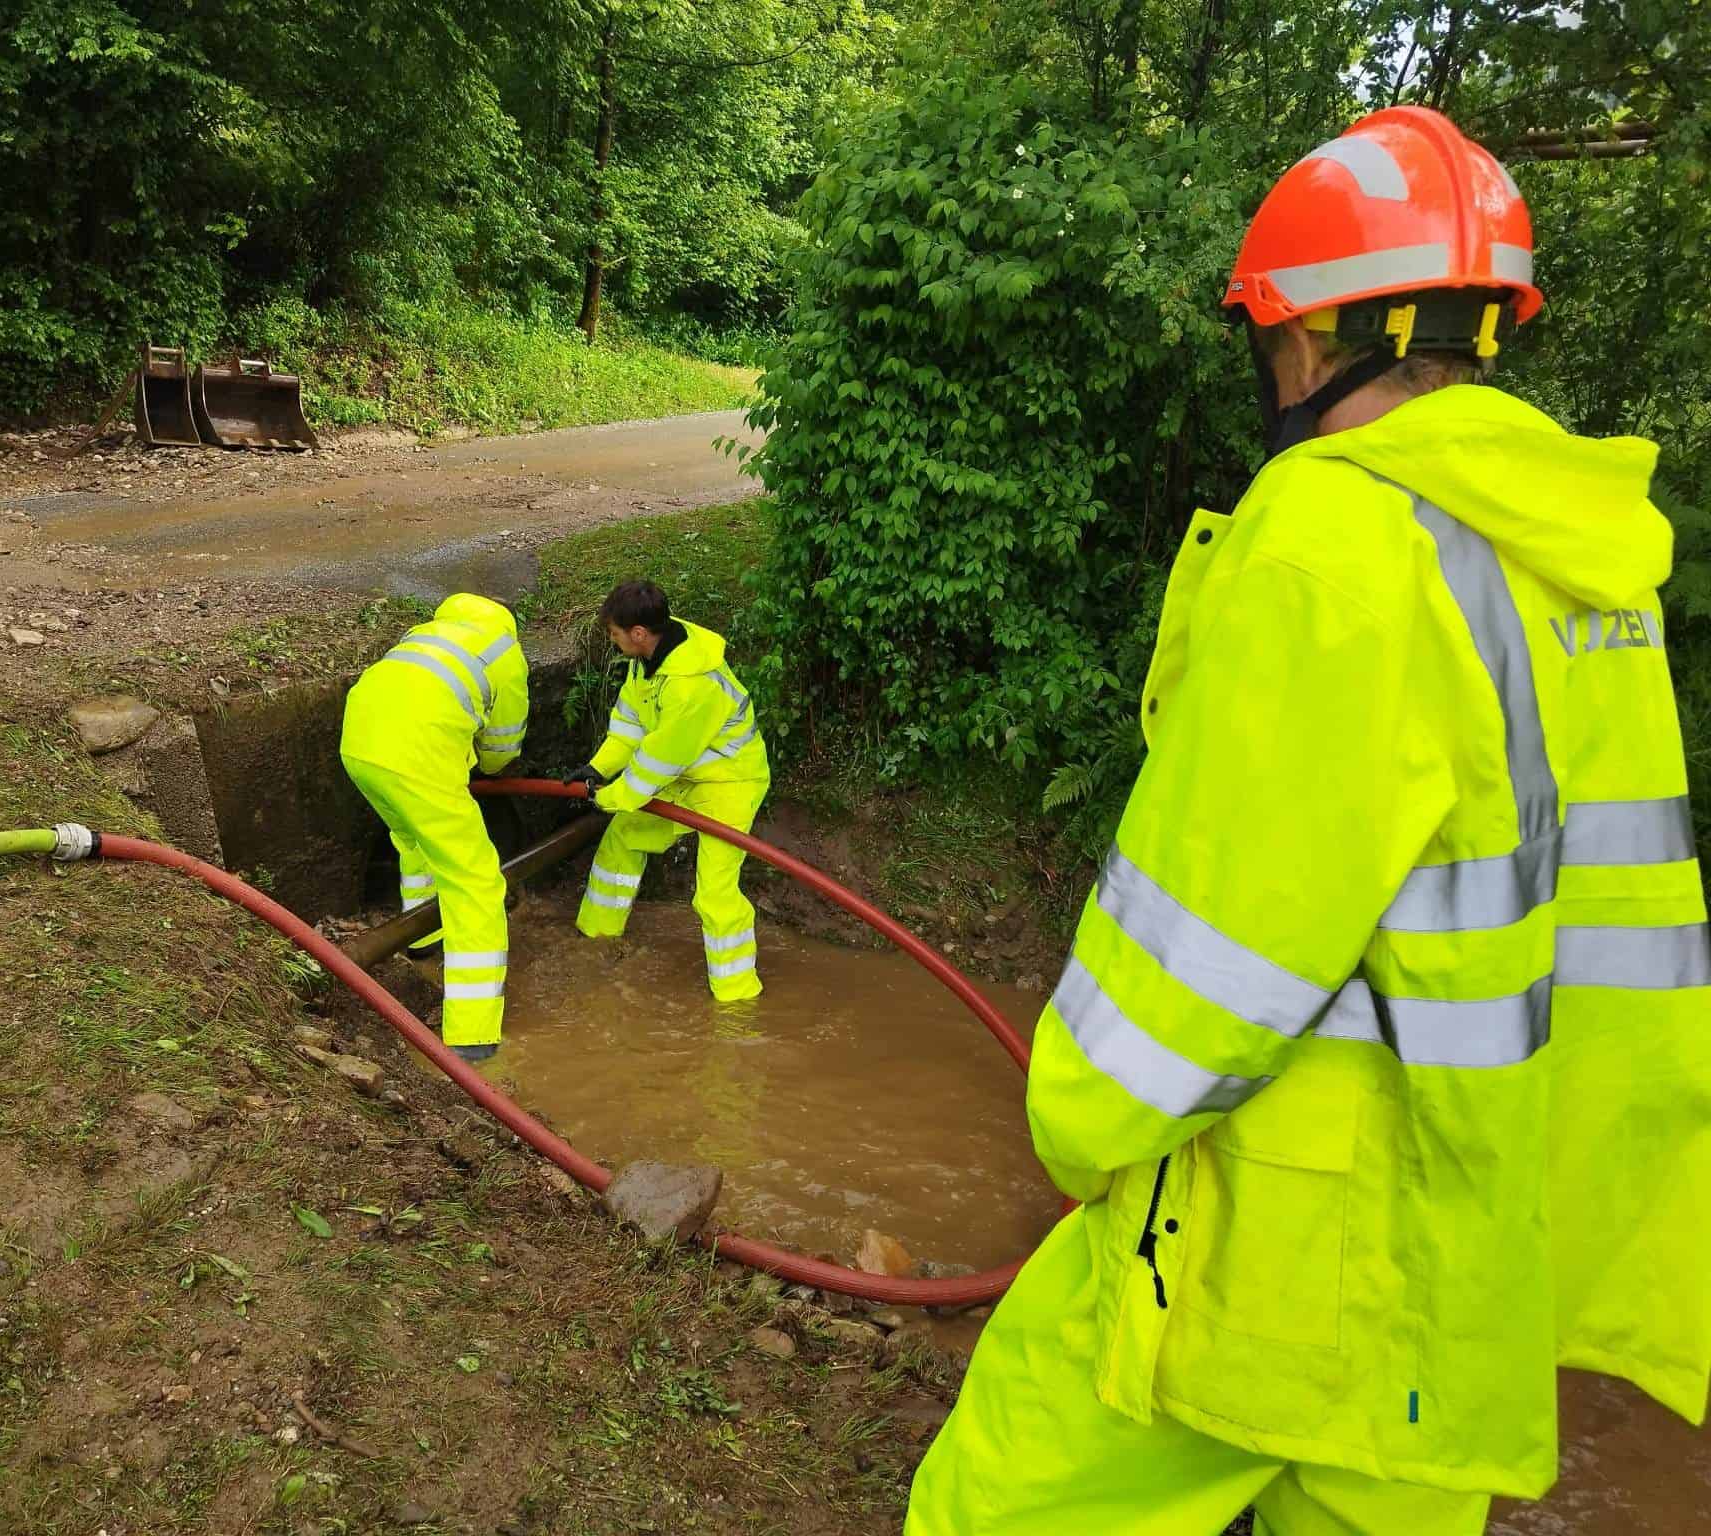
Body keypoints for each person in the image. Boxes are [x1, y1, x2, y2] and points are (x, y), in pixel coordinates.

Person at [908, 105, 1710, 1535]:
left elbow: (1217, 938)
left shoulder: (1335, 540)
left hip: (1271, 1255)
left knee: (994, 1505)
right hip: (1463, 1267)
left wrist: (1082, 1127)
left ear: (1307, 337)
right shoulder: (1594, 569)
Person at [340, 592, 528, 1061]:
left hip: (359, 746)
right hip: (418, 759)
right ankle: (472, 1035)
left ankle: (422, 943)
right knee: (476, 882)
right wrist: (485, 764)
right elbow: (502, 748)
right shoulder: (505, 652)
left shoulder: (427, 632)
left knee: (412, 838)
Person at [565, 580, 772, 1000]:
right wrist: (597, 767)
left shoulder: (692, 686)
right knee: (623, 836)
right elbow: (629, 725)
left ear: (638, 633)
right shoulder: (650, 659)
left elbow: (656, 763)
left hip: (729, 783)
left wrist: (609, 797)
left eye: (614, 632)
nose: (611, 638)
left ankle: (737, 997)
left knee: (715, 892)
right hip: (684, 776)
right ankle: (597, 939)